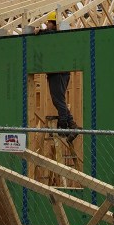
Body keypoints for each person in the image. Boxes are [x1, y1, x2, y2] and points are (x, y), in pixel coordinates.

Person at [36, 11, 80, 143]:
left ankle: (63, 126)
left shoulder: (55, 35)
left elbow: (50, 33)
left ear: (54, 24)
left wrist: (40, 31)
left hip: (57, 73)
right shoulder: (58, 36)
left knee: (58, 100)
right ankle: (72, 125)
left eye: (48, 23)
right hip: (61, 73)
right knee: (59, 100)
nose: (46, 25)